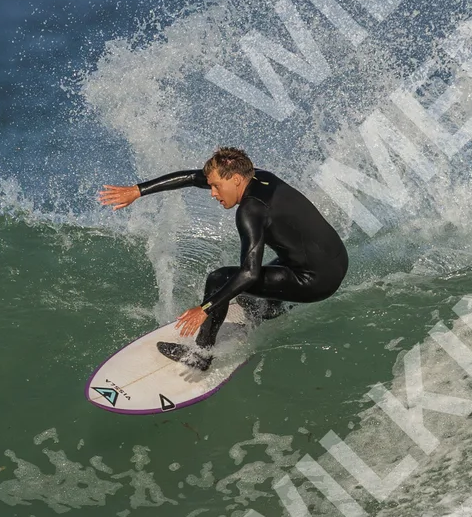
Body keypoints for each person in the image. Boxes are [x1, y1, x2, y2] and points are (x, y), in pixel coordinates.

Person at [99, 148, 348, 370]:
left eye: (217, 186)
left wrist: (204, 309)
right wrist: (138, 191)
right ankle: (272, 309)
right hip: (335, 261)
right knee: (245, 293)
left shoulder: (250, 210)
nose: (212, 193)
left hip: (314, 281)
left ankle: (201, 354)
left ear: (236, 179)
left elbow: (249, 273)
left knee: (220, 280)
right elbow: (192, 177)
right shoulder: (263, 178)